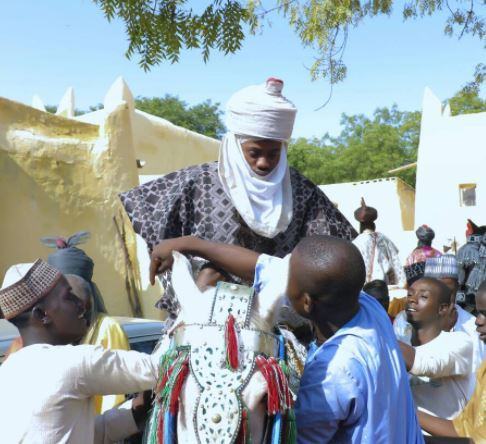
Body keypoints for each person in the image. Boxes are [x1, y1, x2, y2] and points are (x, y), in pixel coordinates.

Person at [120, 78, 356, 324]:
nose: (264, 163)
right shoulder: (194, 183)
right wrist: (177, 260)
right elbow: (156, 235)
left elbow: (329, 259)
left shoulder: (303, 193)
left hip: (279, 326)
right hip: (202, 322)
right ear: (235, 144)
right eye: (254, 153)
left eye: (273, 153)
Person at [148, 235, 424, 443]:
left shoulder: (333, 374)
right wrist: (190, 244)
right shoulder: (367, 307)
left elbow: (293, 436)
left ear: (306, 303)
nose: (280, 279)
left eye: (286, 279)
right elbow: (261, 266)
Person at [0, 259, 160, 443]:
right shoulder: (71, 362)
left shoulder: (7, 372)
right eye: (68, 296)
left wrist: (134, 412)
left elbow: (75, 434)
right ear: (42, 314)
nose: (81, 304)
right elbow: (160, 366)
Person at [394, 255, 485, 397]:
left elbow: (477, 377)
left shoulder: (472, 327)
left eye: (450, 291)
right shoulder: (404, 320)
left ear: (457, 289)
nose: (447, 298)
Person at [417, 279, 486, 441]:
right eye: (479, 313)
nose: (478, 320)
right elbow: (464, 429)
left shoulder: (463, 341)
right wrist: (407, 412)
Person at [397, 278, 473, 419]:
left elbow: (425, 364)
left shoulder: (459, 342)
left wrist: (381, 337)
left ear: (442, 308)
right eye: (410, 294)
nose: (412, 300)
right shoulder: (402, 342)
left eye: (423, 296)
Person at [352, 198, 406, 287]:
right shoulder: (383, 238)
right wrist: (401, 282)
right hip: (384, 285)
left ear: (361, 226)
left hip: (366, 287)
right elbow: (395, 259)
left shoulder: (357, 242)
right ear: (374, 225)